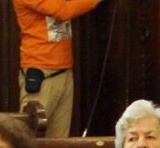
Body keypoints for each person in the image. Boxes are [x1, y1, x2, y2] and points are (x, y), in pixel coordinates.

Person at [13, 0, 105, 139]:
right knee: (29, 138)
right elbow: (63, 11)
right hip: (42, 71)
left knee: (59, 141)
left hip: (64, 70)